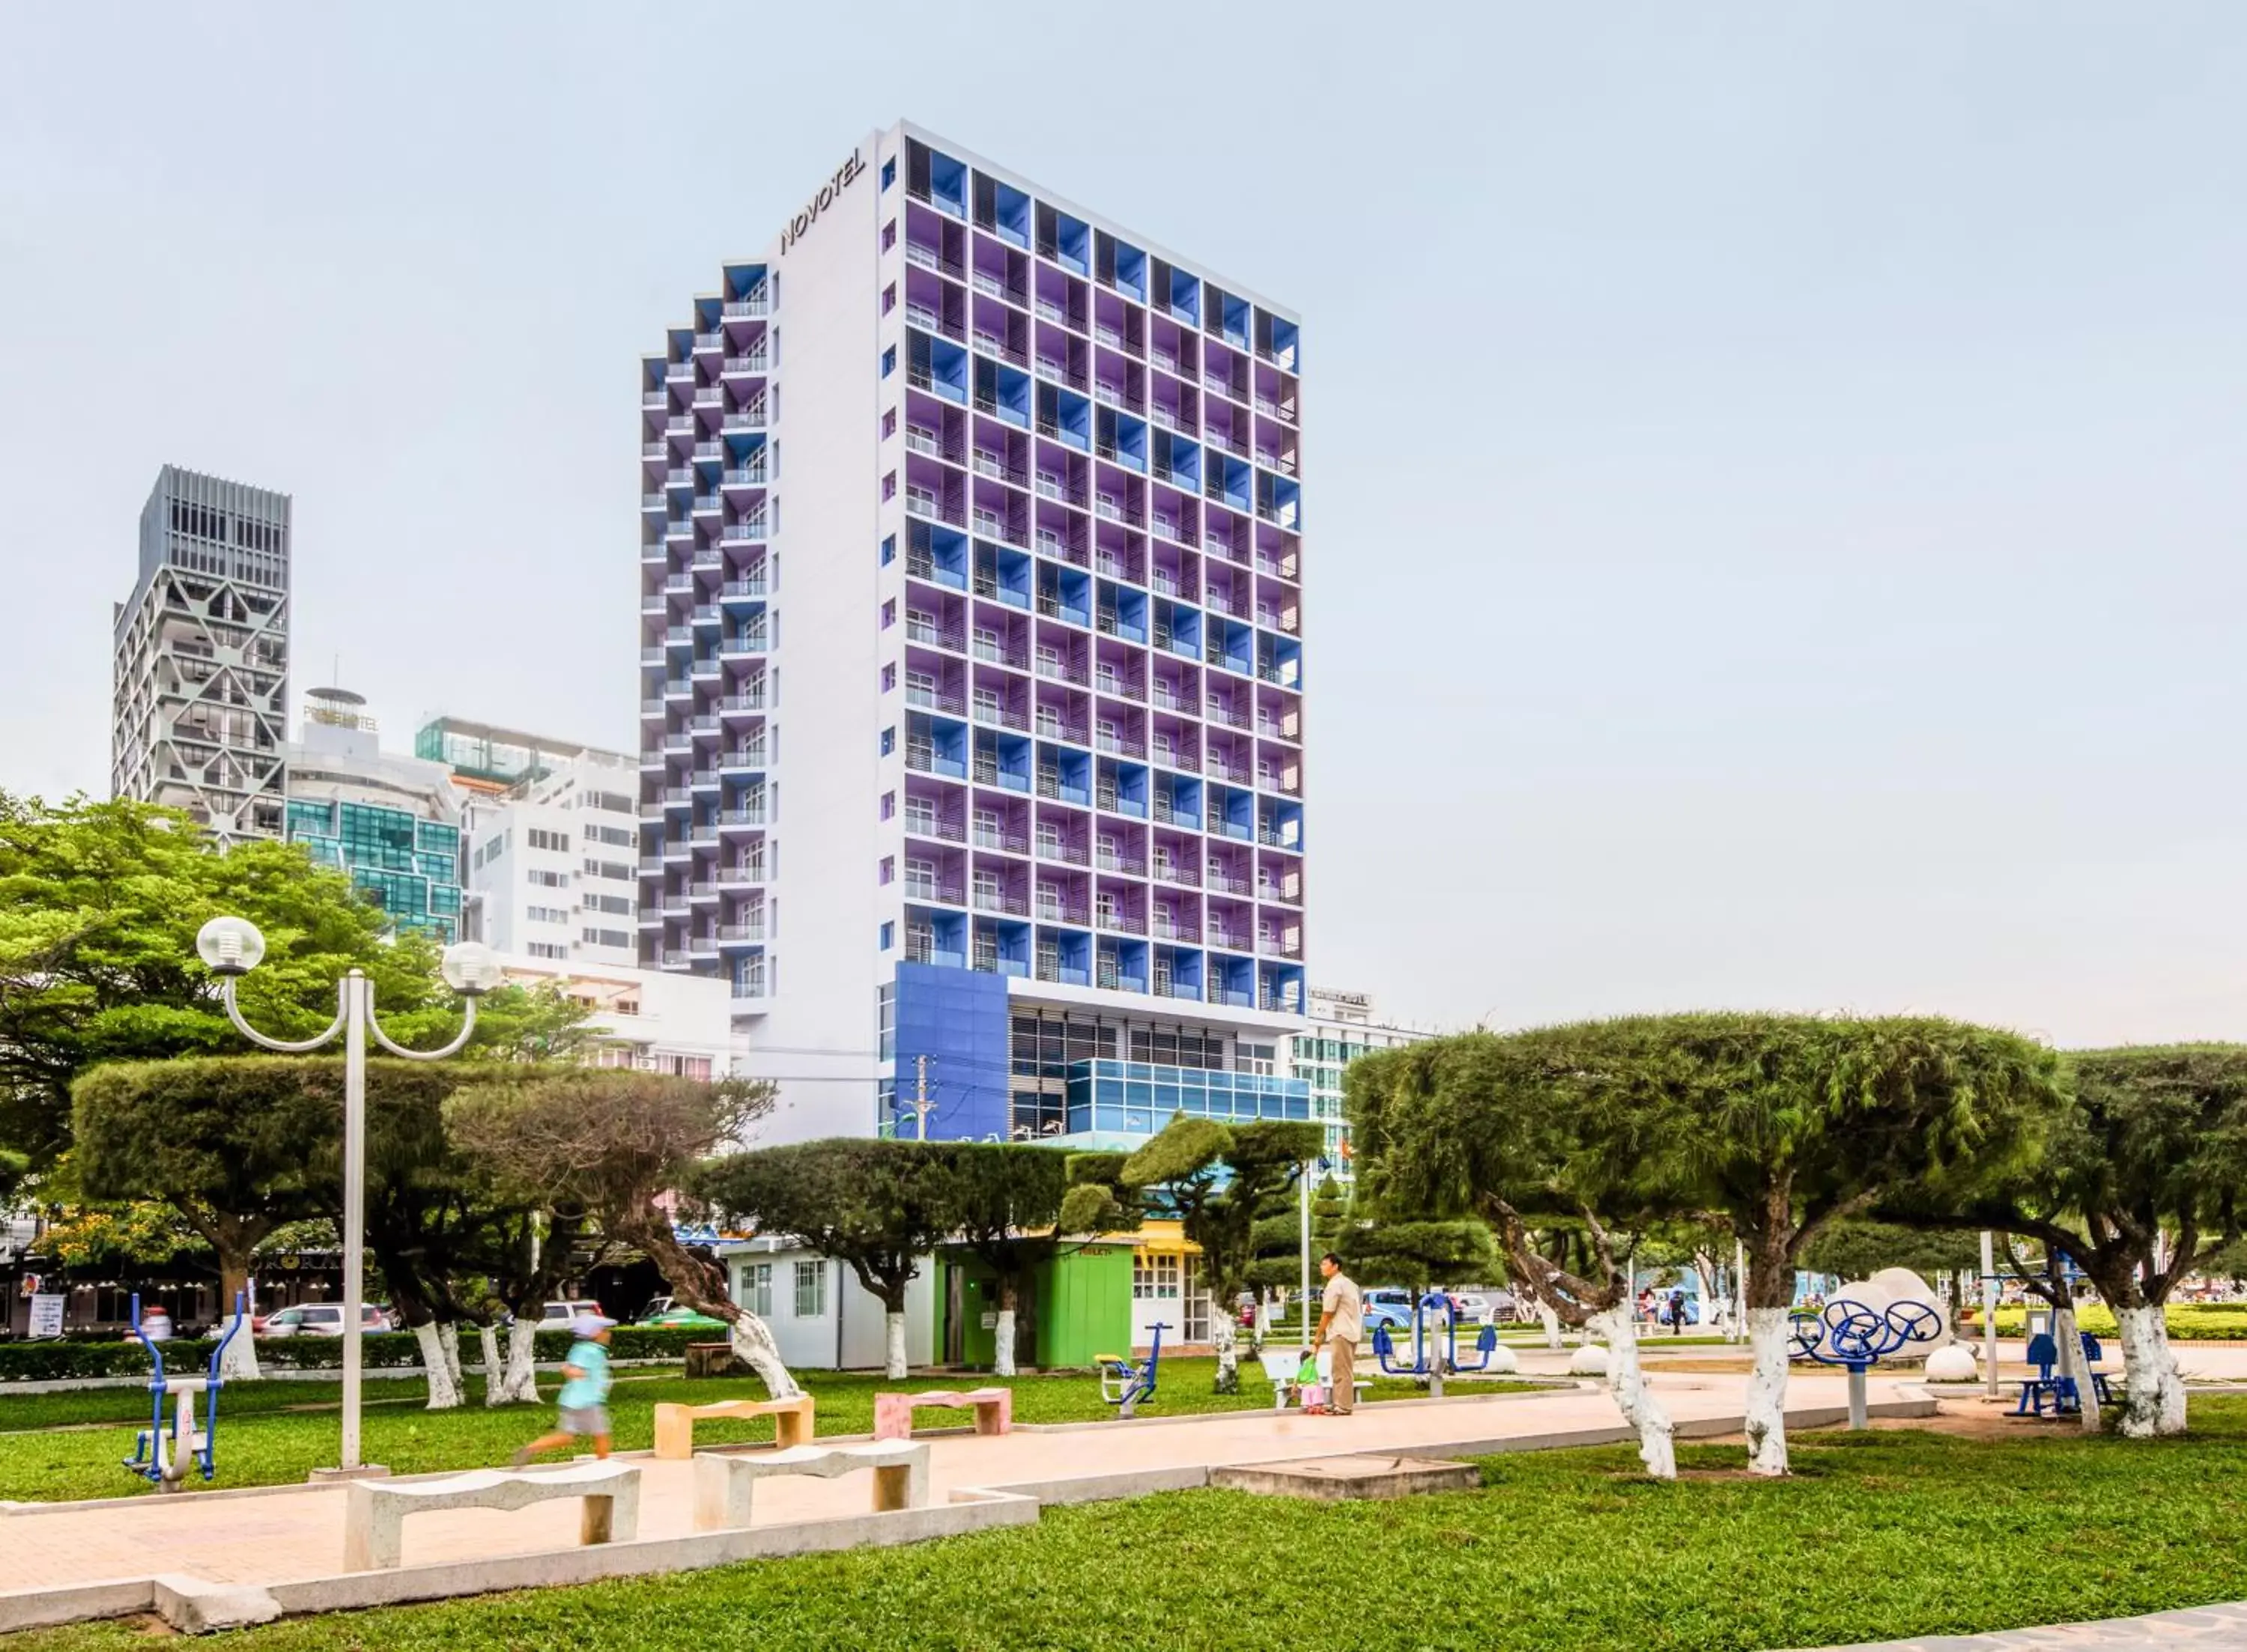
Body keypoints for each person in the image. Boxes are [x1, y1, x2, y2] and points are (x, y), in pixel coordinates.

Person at [513, 1313, 615, 1465]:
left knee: (566, 1437)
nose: (608, 1333)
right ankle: (604, 1465)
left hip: (572, 1402)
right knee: (601, 1434)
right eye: (604, 1330)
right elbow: (569, 1368)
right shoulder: (590, 1350)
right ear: (594, 1332)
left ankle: (530, 1449)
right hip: (589, 1402)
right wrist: (575, 1372)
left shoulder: (583, 1348)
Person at [1311, 1252, 1362, 1417]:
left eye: (1325, 1264)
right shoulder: (1349, 1284)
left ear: (1335, 1266)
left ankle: (1343, 1406)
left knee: (1341, 1370)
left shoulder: (1335, 1285)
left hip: (1340, 1332)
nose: (1322, 1267)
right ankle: (1339, 1403)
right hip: (1350, 1330)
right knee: (1342, 1369)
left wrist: (1318, 1335)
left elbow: (1327, 1313)